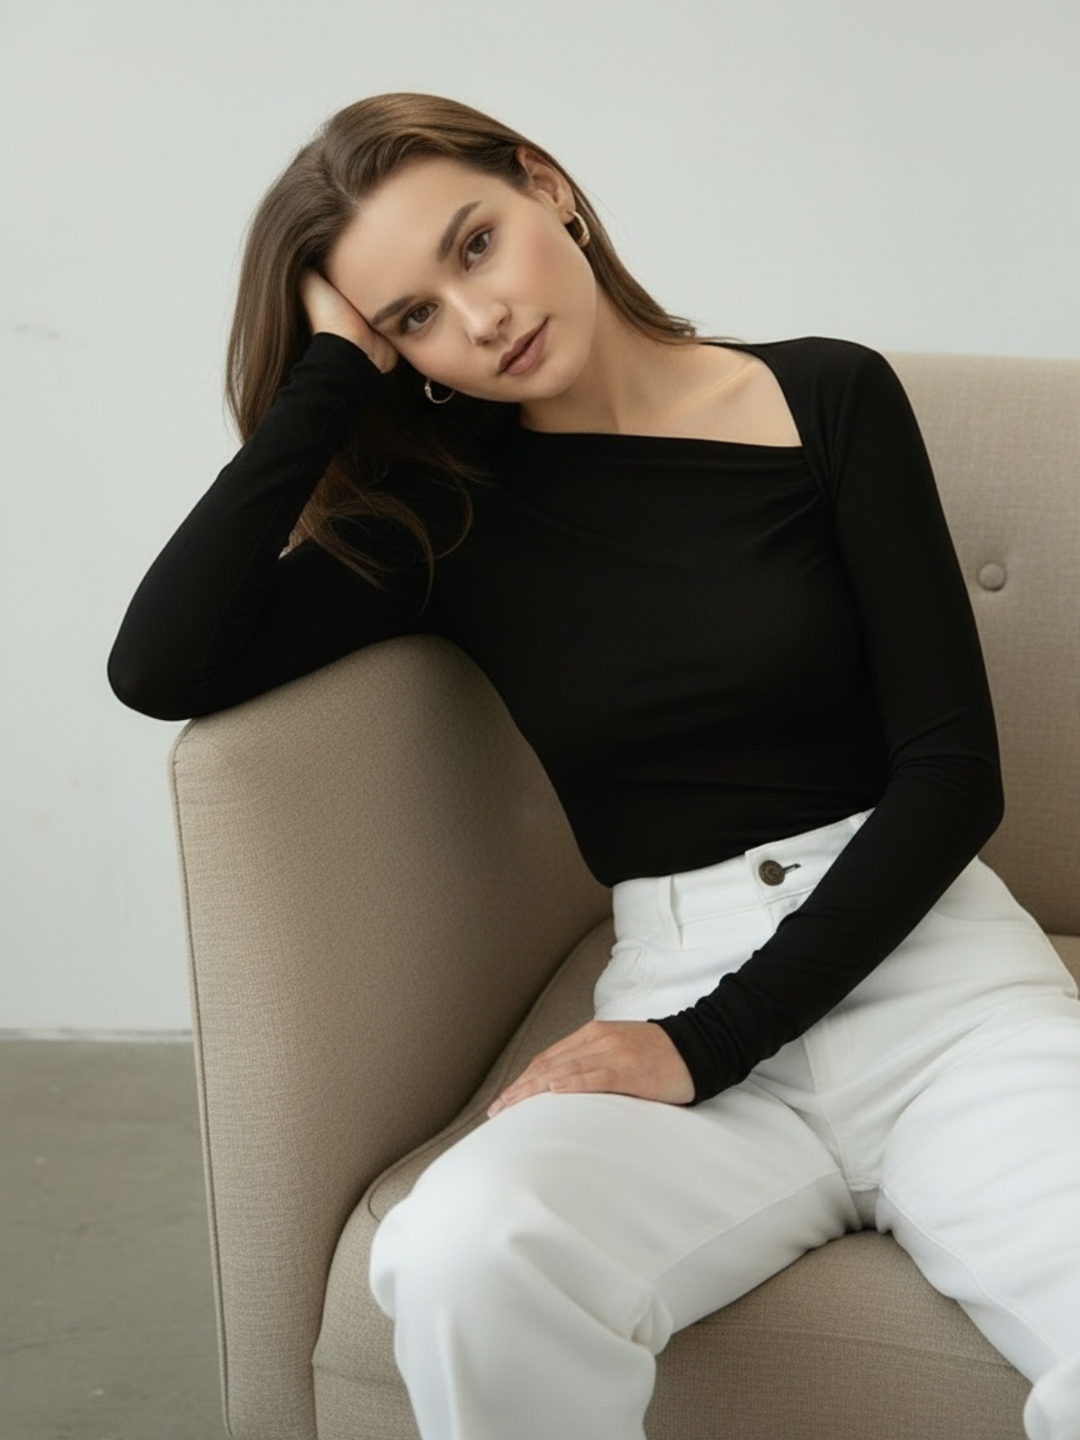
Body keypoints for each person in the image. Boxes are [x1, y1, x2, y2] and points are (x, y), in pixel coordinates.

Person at [107, 92, 1080, 1440]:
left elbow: (954, 772)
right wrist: (328, 378)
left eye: (474, 244)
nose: (481, 316)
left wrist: (705, 1044)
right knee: (464, 1251)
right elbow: (161, 664)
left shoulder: (823, 394)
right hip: (679, 975)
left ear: (547, 185)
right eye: (414, 316)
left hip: (938, 988)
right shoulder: (448, 516)